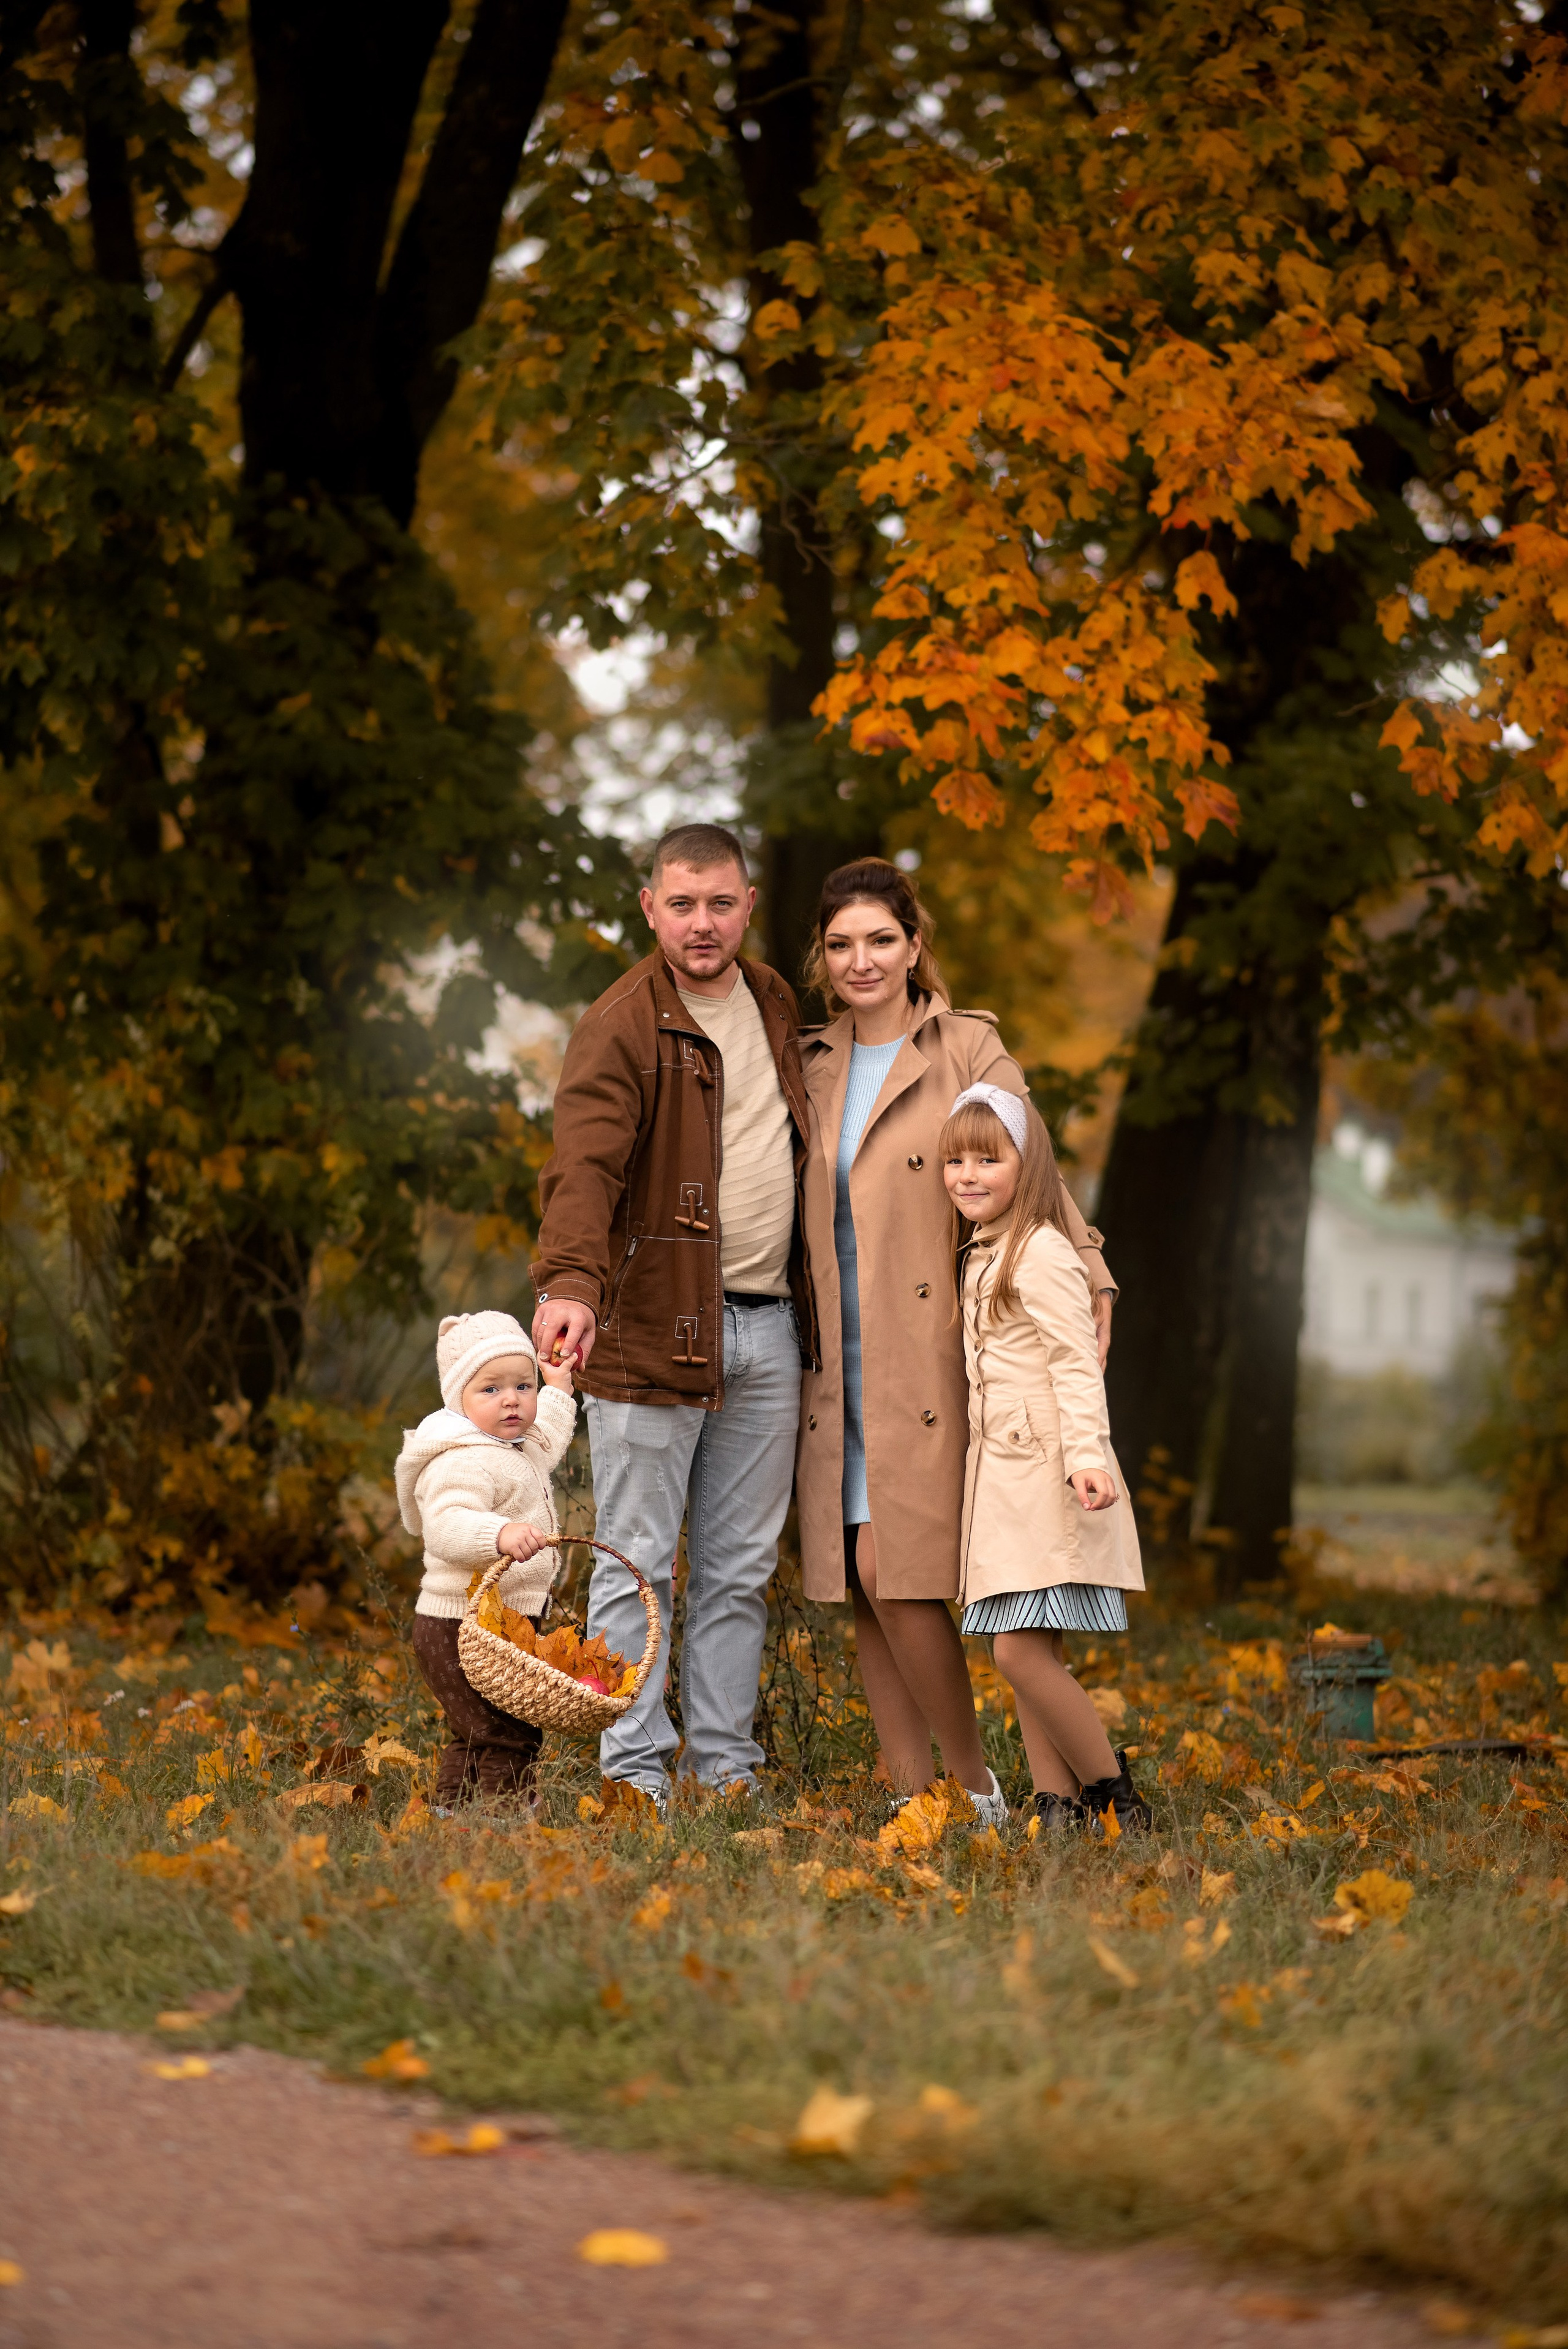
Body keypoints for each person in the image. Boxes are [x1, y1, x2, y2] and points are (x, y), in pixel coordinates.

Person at [794, 858, 1117, 1816]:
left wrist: (1090, 1266)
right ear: (823, 954)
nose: (863, 960)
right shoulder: (807, 1060)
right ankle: (915, 1791)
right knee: (864, 1576)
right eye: (843, 943)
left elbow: (1035, 1161)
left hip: (931, 1341)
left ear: (914, 945)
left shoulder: (967, 1046)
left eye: (882, 939)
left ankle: (977, 1785)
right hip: (830, 1354)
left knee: (895, 1563)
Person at [529, 823, 815, 1808]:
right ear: (650, 907)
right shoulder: (620, 1021)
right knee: (636, 1559)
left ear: (748, 903)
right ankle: (634, 1772)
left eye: (721, 902)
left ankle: (725, 1768)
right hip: (652, 1322)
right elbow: (584, 1165)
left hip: (770, 1326)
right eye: (682, 904)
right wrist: (569, 1282)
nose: (703, 923)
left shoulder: (776, 1000)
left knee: (737, 1570)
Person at [942, 1086, 1151, 1833]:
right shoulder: (985, 1249)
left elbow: (1074, 1362)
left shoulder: (1040, 1251)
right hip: (1003, 1481)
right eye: (954, 1159)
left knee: (1018, 1655)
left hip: (1049, 1473)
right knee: (1031, 1650)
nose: (967, 1174)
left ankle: (1113, 1795)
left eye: (987, 1160)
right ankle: (1056, 1808)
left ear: (1026, 1168)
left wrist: (1087, 1458)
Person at [396, 1310, 578, 1808]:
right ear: (459, 1399)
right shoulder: (463, 1457)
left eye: (523, 1385)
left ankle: (451, 1808)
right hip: (458, 1623)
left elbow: (553, 1432)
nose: (512, 1400)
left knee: (478, 1730)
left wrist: (558, 1385)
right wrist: (499, 1533)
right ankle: (506, 1814)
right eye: (491, 1390)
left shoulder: (519, 1444)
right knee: (508, 1728)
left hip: (505, 1623)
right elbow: (446, 1525)